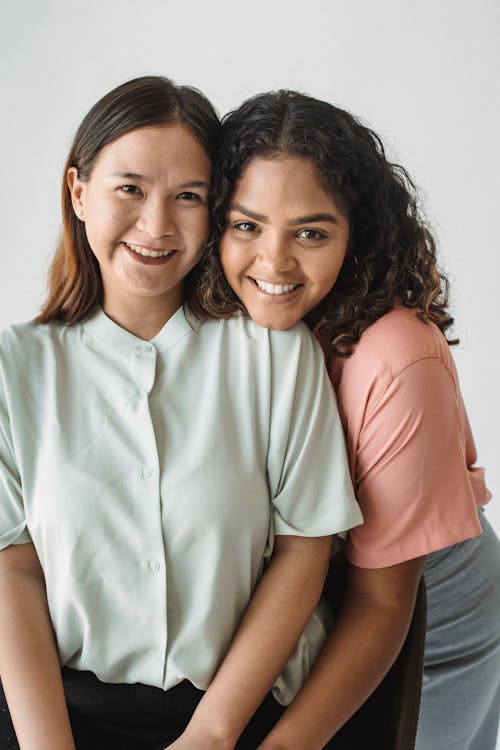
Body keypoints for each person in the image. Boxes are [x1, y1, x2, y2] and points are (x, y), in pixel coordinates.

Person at [0, 78, 363, 750]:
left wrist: (213, 736)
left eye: (189, 197)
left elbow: (303, 550)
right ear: (79, 192)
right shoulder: (14, 368)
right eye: (130, 188)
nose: (158, 225)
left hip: (241, 714)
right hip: (54, 716)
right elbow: (11, 569)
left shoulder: (273, 354)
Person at [197, 90, 500, 750]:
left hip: (431, 610)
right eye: (247, 226)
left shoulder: (397, 361)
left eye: (311, 232)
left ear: (355, 231)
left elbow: (385, 605)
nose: (273, 263)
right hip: (324, 585)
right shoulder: (221, 316)